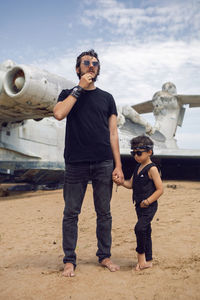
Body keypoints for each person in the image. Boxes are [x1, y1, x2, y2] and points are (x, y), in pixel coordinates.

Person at [53, 49, 124, 277]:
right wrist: (79, 88)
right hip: (75, 163)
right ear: (78, 69)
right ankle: (69, 260)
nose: (91, 65)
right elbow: (59, 114)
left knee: (104, 213)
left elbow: (113, 134)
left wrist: (118, 165)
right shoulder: (67, 93)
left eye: (95, 63)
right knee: (71, 213)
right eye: (86, 62)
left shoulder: (107, 98)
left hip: (103, 162)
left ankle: (104, 256)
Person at [113, 135, 163, 271]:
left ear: (149, 152)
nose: (136, 156)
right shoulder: (138, 167)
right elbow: (130, 184)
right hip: (138, 206)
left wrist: (148, 201)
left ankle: (141, 260)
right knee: (146, 230)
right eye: (133, 153)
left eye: (139, 153)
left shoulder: (152, 169)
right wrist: (121, 182)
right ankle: (149, 259)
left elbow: (160, 189)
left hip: (149, 206)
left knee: (139, 229)